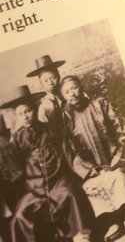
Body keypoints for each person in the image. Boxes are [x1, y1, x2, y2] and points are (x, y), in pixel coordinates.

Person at [3, 85, 92, 242]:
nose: (25, 117)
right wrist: (28, 189)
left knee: (68, 195)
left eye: (28, 111)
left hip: (58, 179)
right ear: (16, 116)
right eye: (20, 114)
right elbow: (16, 170)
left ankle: (81, 236)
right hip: (34, 187)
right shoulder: (17, 140)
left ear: (35, 110)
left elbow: (65, 152)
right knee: (20, 215)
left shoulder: (50, 129)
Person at [60, 77, 125, 241]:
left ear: (81, 88)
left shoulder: (99, 104)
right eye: (67, 92)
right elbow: (71, 151)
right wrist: (89, 169)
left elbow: (123, 129)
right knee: (91, 184)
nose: (72, 94)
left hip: (114, 159)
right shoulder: (67, 118)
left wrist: (117, 158)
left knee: (117, 176)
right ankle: (113, 223)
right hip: (93, 168)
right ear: (64, 97)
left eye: (74, 88)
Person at [25, 56, 65, 135]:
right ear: (41, 83)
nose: (50, 83)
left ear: (59, 76)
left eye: (53, 78)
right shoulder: (43, 107)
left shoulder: (68, 94)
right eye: (45, 80)